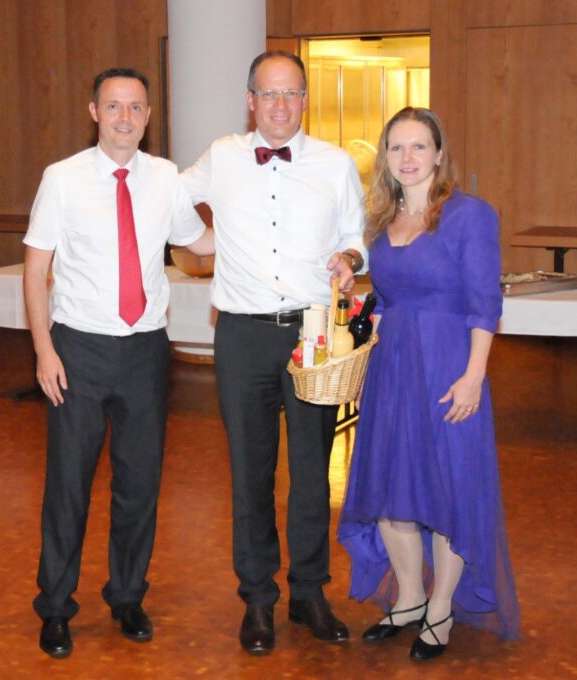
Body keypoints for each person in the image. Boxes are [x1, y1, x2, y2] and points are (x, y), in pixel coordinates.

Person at [23, 67, 214, 659]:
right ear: (94, 112)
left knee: (139, 483)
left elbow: (199, 245)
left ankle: (128, 596)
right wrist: (43, 350)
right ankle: (56, 606)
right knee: (69, 485)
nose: (124, 118)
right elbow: (35, 268)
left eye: (135, 107)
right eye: (113, 106)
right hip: (77, 349)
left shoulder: (165, 179)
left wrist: (262, 225)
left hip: (144, 351)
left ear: (148, 116)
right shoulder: (62, 178)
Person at [181, 50, 366, 655]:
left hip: (313, 333)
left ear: (305, 100)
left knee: (312, 474)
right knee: (250, 472)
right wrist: (199, 243)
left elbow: (356, 237)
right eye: (269, 93)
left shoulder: (335, 164)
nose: (281, 105)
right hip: (242, 335)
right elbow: (168, 200)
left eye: (291, 93)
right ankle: (257, 597)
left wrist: (350, 259)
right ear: (250, 100)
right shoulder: (222, 156)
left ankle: (309, 592)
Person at [337, 107, 521, 661]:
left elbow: (485, 304)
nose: (408, 157)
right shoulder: (381, 221)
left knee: (447, 490)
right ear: (385, 158)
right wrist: (359, 318)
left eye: (419, 146)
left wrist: (473, 376)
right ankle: (409, 598)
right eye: (397, 147)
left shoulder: (469, 215)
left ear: (439, 154)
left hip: (447, 369)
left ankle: (441, 608)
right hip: (393, 371)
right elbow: (388, 299)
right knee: (392, 489)